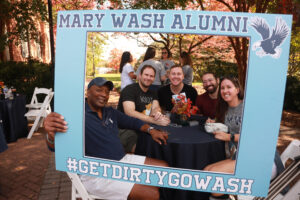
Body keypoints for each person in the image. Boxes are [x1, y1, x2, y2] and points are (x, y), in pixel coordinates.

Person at [44, 77, 169, 200]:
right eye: (99, 90)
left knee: (164, 170)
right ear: (88, 92)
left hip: (121, 161)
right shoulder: (77, 114)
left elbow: (132, 122)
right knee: (152, 194)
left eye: (107, 91)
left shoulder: (110, 112)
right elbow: (55, 146)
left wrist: (151, 130)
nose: (104, 94)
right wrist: (50, 135)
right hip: (96, 172)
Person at [118, 65, 170, 152]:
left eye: (151, 76)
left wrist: (157, 113)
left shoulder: (153, 92)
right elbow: (129, 112)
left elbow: (156, 107)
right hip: (127, 129)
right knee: (142, 150)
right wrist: (153, 120)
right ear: (139, 76)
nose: (148, 78)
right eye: (146, 75)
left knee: (162, 142)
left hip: (145, 128)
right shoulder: (129, 90)